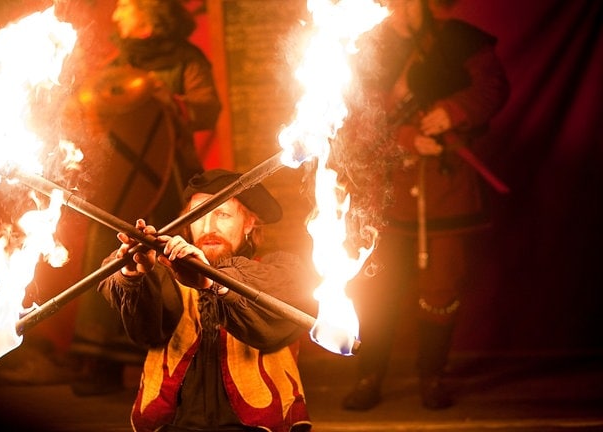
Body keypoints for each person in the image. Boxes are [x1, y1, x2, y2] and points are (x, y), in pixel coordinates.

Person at [341, 0, 510, 410]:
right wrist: (405, 139)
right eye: (388, 2)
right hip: (388, 192)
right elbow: (355, 113)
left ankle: (432, 377)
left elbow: (492, 88)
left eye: (406, 0)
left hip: (445, 188)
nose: (397, 9)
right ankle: (370, 375)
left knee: (440, 290)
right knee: (377, 289)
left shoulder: (461, 41)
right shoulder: (364, 47)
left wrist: (452, 113)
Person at [61, 0, 222, 395]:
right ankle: (100, 361)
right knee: (110, 258)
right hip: (121, 184)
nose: (116, 16)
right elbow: (95, 113)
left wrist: (167, 99)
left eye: (125, 7)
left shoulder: (185, 59)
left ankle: (175, 361)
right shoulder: (120, 63)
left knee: (168, 261)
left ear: (149, 14)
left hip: (171, 179)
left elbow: (206, 109)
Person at [97, 169, 316, 432]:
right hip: (174, 427)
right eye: (198, 215)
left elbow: (280, 302)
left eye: (222, 214)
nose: (209, 228)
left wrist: (213, 282)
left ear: (249, 224)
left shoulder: (279, 269)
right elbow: (145, 327)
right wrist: (133, 272)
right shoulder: (165, 275)